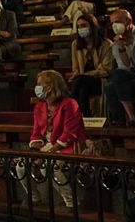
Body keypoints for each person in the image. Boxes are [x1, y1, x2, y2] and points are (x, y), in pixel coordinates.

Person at [17, 70, 87, 208]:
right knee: (21, 166)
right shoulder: (40, 106)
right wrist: (35, 152)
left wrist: (48, 153)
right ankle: (34, 198)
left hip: (67, 146)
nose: (36, 88)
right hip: (46, 146)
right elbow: (36, 132)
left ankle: (71, 201)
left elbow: (69, 133)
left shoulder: (70, 104)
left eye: (39, 84)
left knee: (48, 166)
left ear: (49, 87)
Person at [68, 14, 114, 117]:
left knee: (80, 81)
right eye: (78, 26)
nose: (80, 29)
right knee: (83, 90)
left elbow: (106, 70)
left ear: (92, 26)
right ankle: (86, 118)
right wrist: (76, 74)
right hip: (82, 82)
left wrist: (83, 75)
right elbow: (75, 68)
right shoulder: (75, 44)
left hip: (101, 81)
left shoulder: (107, 44)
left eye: (83, 25)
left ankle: (69, 110)